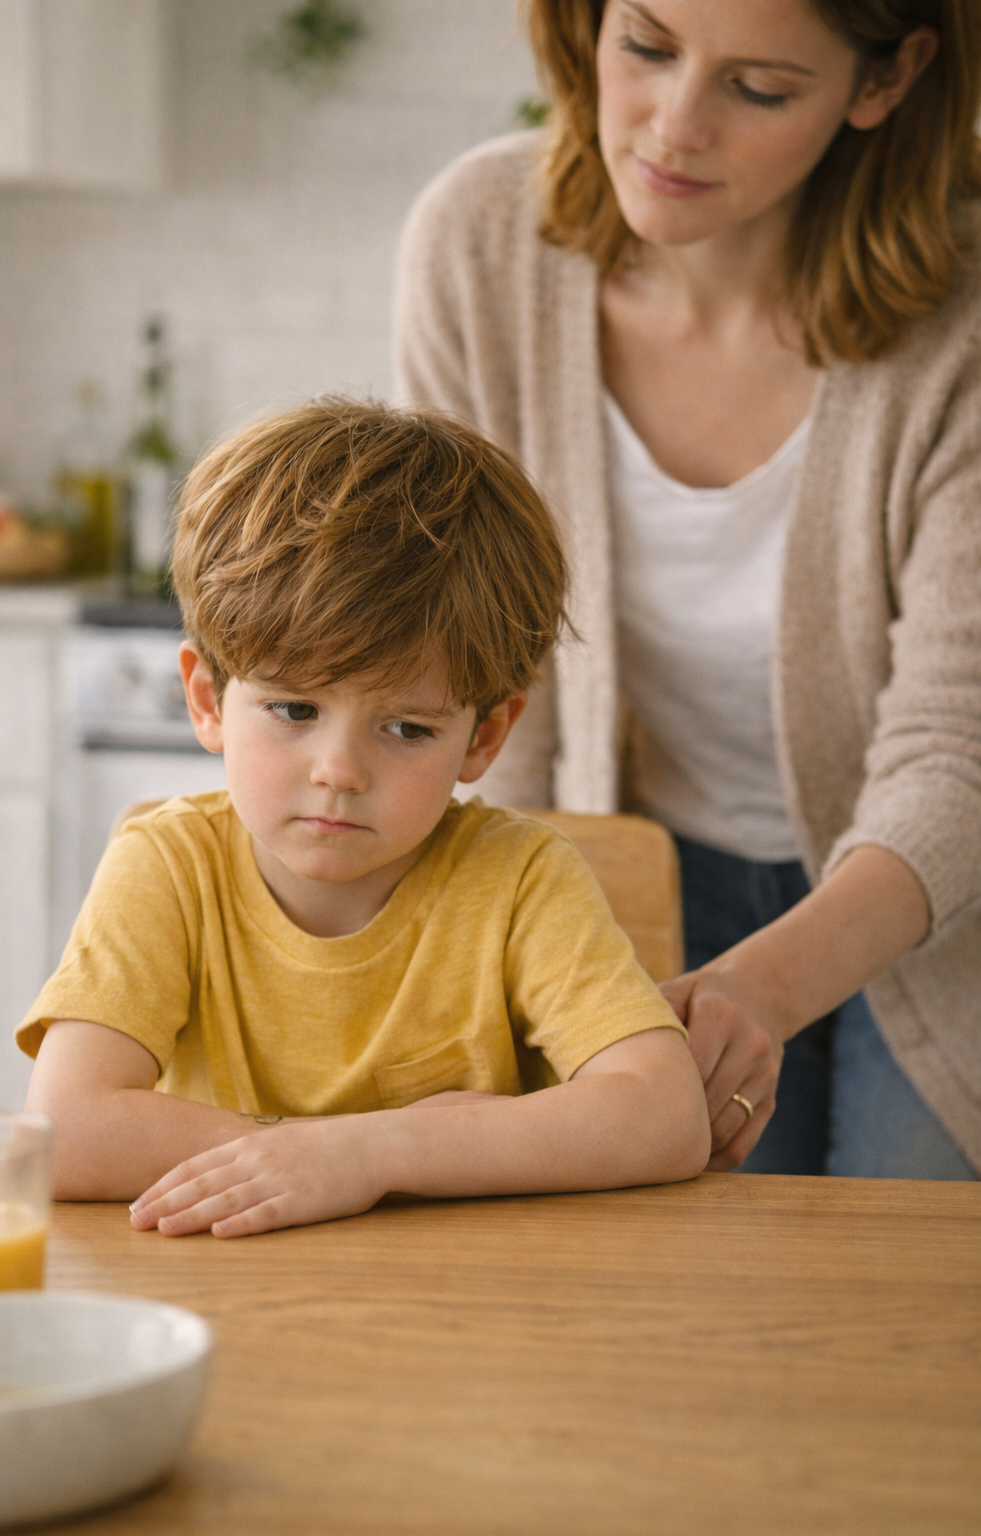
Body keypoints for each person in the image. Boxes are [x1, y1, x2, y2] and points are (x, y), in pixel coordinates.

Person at [394, 0, 981, 1179]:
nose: (671, 127)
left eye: (757, 89)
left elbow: (957, 745)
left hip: (936, 913)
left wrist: (759, 987)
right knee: (696, 1313)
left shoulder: (961, 314)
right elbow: (466, 662)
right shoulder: (481, 244)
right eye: (646, 47)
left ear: (886, 78)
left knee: (889, 1322)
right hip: (634, 878)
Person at [18, 399, 709, 1238]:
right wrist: (317, 1157)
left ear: (484, 736)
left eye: (408, 728)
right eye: (294, 709)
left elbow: (665, 1115)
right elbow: (66, 1131)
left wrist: (364, 1157)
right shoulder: (168, 865)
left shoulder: (521, 879)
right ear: (207, 700)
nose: (340, 772)